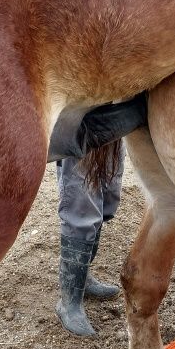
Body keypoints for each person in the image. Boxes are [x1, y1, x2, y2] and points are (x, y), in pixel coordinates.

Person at [55, 144, 125, 337]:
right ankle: (69, 303)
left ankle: (82, 278)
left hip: (114, 122)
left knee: (108, 194)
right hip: (83, 126)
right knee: (82, 204)